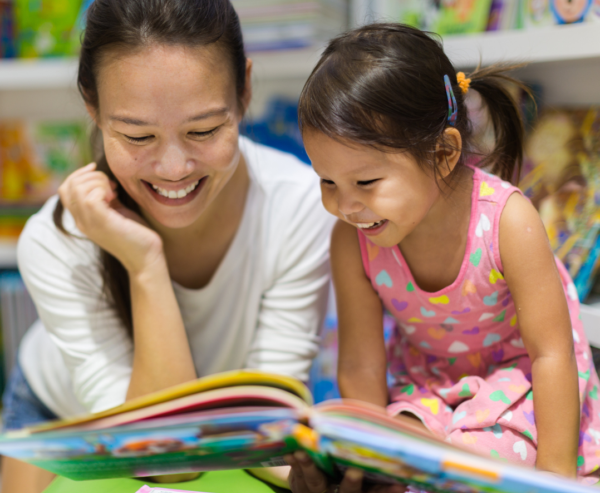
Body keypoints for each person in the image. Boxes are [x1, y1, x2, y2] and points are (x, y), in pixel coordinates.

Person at [2, 1, 334, 492]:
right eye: (138, 135)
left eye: (203, 130)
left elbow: (263, 427)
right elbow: (162, 458)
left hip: (227, 430)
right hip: (60, 419)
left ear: (244, 89)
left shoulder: (301, 208)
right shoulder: (57, 242)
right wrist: (144, 264)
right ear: (91, 106)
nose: (174, 168)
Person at [287, 23, 600, 492]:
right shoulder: (351, 239)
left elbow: (552, 354)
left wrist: (554, 478)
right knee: (393, 472)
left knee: (474, 469)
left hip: (522, 386)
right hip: (428, 389)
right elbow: (362, 368)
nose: (345, 205)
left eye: (366, 182)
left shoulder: (507, 221)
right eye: (327, 181)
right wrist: (369, 458)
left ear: (444, 153)